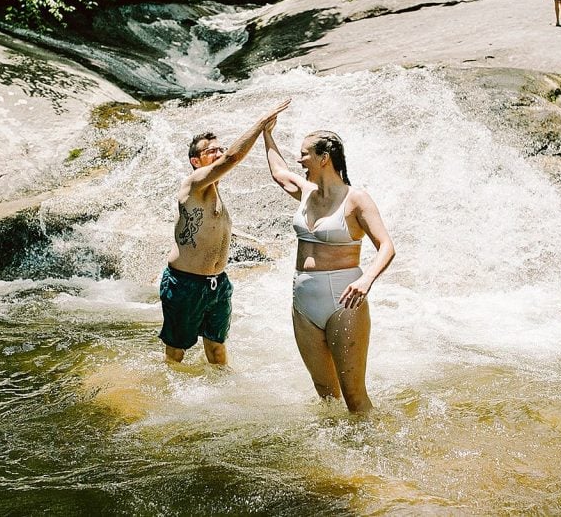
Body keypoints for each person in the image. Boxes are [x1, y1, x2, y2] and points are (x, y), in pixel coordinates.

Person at [262, 124, 395, 414]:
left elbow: (386, 246)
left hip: (344, 299)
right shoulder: (306, 192)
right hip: (303, 301)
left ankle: (372, 442)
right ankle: (334, 442)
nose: (299, 160)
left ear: (324, 158)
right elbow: (279, 173)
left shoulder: (356, 199)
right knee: (325, 395)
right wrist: (266, 132)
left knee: (354, 396)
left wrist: (367, 280)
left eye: (304, 154)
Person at [158, 99, 291, 365]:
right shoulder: (193, 183)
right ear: (196, 161)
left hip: (217, 284)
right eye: (212, 151)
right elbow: (232, 158)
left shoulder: (216, 192)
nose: (219, 153)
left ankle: (221, 387)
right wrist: (261, 124)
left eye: (220, 148)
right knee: (177, 352)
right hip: (185, 284)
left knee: (217, 348)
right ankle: (168, 388)